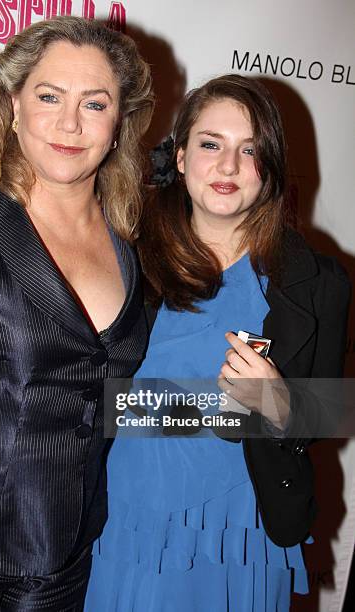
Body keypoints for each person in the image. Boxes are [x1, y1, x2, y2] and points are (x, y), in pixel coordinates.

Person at [85, 75, 351, 611]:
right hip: (133, 523)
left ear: (270, 167)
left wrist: (276, 401)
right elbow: (91, 401)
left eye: (249, 150)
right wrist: (228, 410)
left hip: (246, 532)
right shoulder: (121, 260)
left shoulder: (320, 282)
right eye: (211, 144)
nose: (228, 167)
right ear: (180, 157)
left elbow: (325, 418)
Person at [0, 16, 154, 611]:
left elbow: (114, 401)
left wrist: (271, 407)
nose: (70, 123)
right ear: (12, 105)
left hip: (82, 564)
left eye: (94, 103)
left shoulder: (130, 243)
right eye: (49, 96)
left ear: (119, 122)